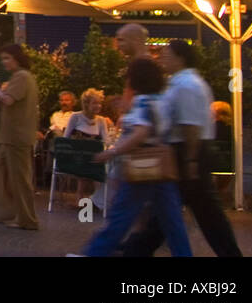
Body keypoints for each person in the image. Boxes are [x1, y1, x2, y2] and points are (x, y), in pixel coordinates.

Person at [122, 40, 242, 258]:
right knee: (191, 213)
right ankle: (135, 248)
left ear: (180, 57)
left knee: (195, 213)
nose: (162, 57)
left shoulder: (187, 86)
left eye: (166, 54)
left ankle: (135, 248)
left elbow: (190, 126)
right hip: (189, 153)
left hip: (188, 152)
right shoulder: (181, 83)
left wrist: (190, 161)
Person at [80, 57, 191, 257]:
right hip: (164, 168)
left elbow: (140, 132)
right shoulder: (163, 100)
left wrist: (112, 152)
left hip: (142, 167)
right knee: (173, 223)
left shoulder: (142, 101)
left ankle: (94, 253)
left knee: (120, 218)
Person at [0, 43, 39, 230]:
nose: (4, 63)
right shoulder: (22, 77)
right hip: (10, 136)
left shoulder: (21, 77)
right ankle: (8, 212)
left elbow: (8, 100)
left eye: (7, 58)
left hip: (16, 137)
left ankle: (27, 219)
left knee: (20, 179)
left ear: (16, 58)